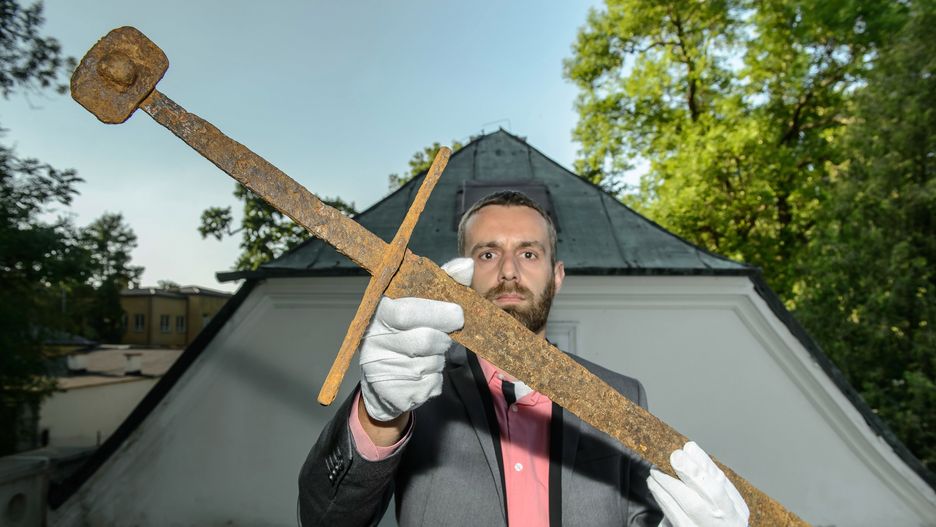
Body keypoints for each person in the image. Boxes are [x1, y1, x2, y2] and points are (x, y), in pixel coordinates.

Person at [299, 191, 749, 527]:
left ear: (557, 276)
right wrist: (378, 416)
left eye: (529, 253)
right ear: (462, 273)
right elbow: (327, 519)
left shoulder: (622, 395)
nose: (509, 271)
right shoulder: (412, 383)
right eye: (488, 253)